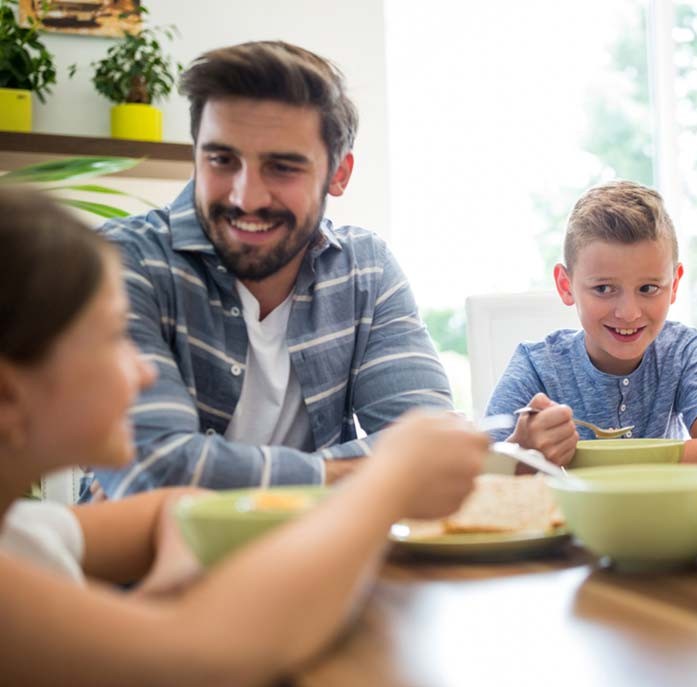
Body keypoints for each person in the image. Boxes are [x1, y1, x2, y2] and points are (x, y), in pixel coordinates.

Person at [0, 188, 488, 687]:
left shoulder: (22, 532)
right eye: (112, 339)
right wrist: (390, 478)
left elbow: (174, 504)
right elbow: (208, 662)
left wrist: (178, 565)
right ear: (8, 395)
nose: (145, 370)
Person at [89, 41, 453, 499]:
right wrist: (357, 474)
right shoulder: (120, 262)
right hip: (142, 568)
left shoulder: (366, 270)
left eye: (282, 167)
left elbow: (429, 441)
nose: (247, 198)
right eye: (222, 160)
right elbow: (151, 471)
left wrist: (209, 474)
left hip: (321, 557)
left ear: (339, 174)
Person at [485, 181, 697, 465]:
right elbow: (477, 472)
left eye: (648, 288)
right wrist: (520, 451)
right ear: (566, 285)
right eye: (603, 289)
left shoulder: (681, 350)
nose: (629, 313)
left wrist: (597, 461)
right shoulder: (537, 365)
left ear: (674, 285)